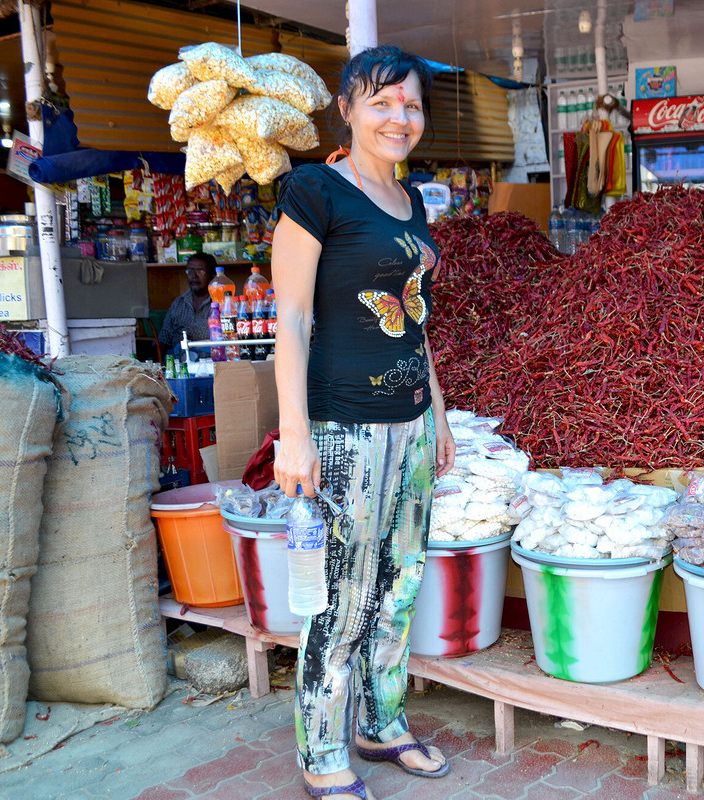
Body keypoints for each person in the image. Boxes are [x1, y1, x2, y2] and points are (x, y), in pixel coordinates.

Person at [271, 44, 456, 800]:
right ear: (346, 110)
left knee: (401, 581)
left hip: (409, 425)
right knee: (345, 591)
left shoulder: (413, 203)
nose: (399, 117)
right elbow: (290, 321)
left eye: (410, 105)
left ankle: (381, 724)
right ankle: (321, 752)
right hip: (343, 424)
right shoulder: (316, 190)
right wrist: (294, 432)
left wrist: (437, 415)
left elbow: (415, 322)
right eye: (381, 102)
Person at [157, 252, 215, 357]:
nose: (194, 276)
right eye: (190, 271)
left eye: (200, 271)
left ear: (213, 276)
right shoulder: (178, 303)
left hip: (209, 364)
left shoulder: (221, 303)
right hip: (178, 363)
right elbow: (164, 338)